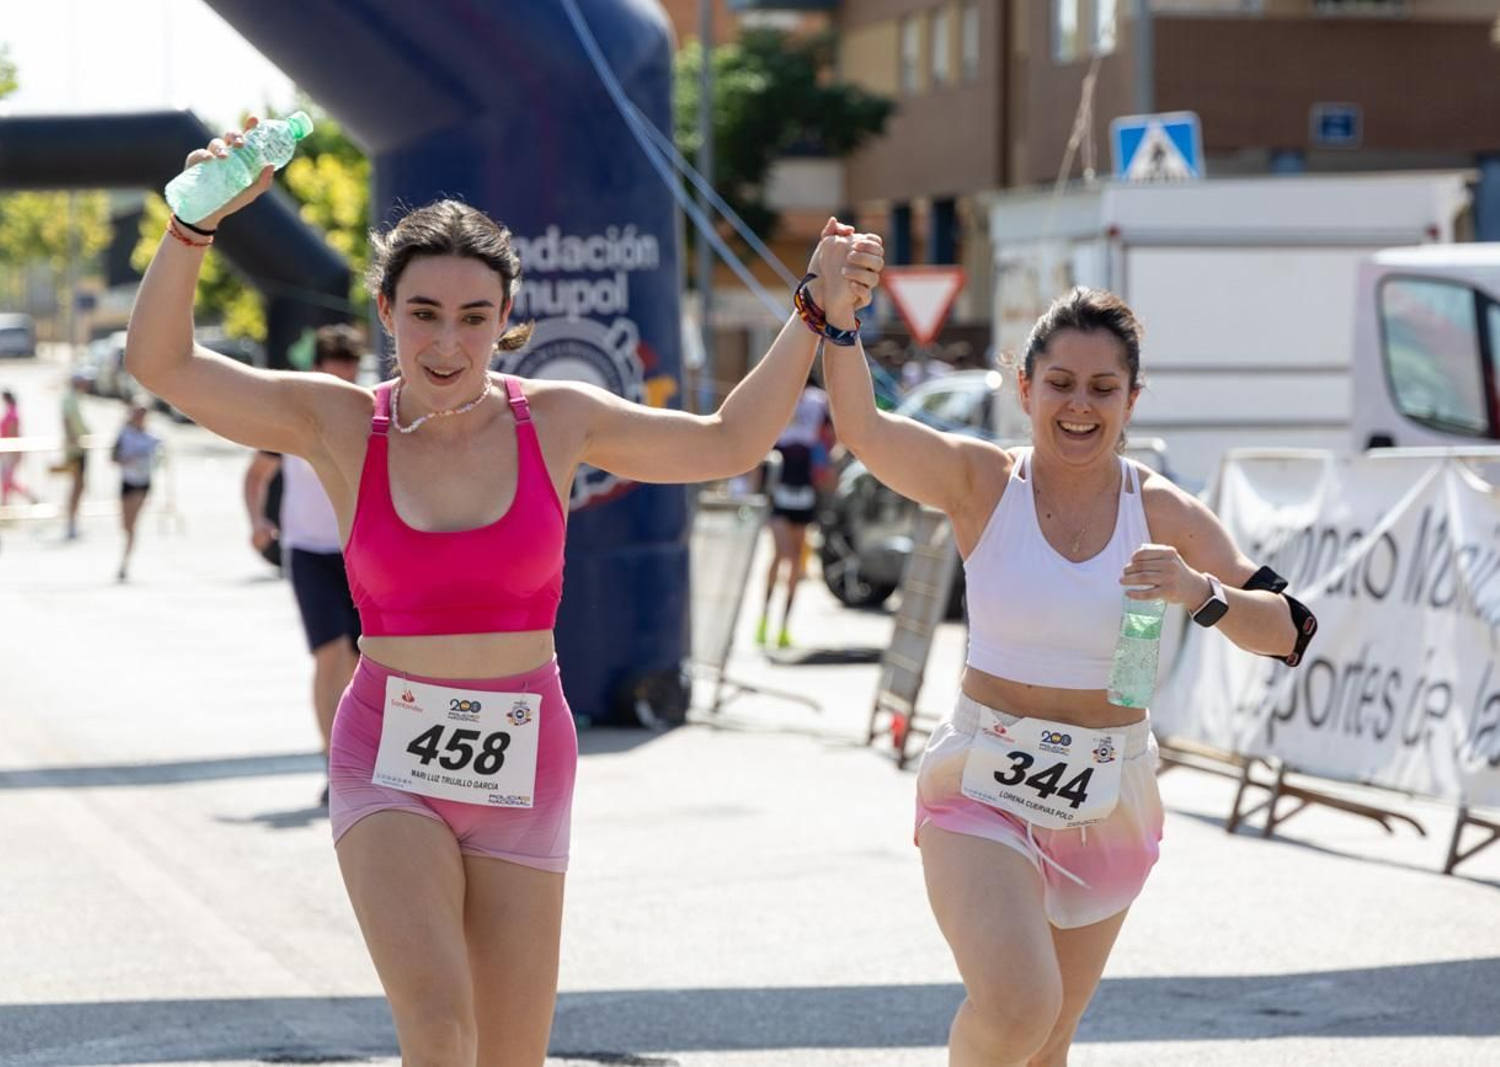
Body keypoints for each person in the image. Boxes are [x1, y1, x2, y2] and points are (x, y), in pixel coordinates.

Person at [125, 117, 882, 1066]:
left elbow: (728, 440)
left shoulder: (557, 420)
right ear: (386, 311)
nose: (448, 341)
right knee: (441, 1032)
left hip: (526, 759)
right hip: (389, 754)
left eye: (474, 316)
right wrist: (193, 230)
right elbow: (162, 366)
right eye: (425, 313)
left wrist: (811, 307)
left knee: (509, 1054)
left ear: (507, 317)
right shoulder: (335, 422)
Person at [822, 287, 1316, 1067]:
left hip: (1108, 793)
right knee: (1019, 1009)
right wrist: (837, 316)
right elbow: (863, 429)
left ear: (1132, 398)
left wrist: (1199, 591)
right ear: (1024, 385)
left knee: (1047, 1042)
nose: (1079, 407)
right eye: (1059, 383)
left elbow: (1292, 629)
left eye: (1102, 388)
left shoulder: (1163, 512)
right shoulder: (981, 482)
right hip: (980, 784)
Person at [243, 323, 369, 806]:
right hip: (309, 550)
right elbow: (256, 475)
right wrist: (257, 521)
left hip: (361, 553)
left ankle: (365, 762)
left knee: (365, 661)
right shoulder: (294, 423)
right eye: (332, 377)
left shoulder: (368, 414)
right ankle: (332, 764)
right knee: (330, 655)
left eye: (349, 376)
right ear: (314, 370)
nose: (341, 388)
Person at [756, 376, 833, 649]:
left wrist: (826, 463)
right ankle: (763, 619)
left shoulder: (817, 402)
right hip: (779, 493)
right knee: (781, 555)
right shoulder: (776, 397)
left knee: (796, 564)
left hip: (805, 492)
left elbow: (831, 434)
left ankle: (784, 627)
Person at [111, 400, 162, 581]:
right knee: (125, 525)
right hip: (127, 480)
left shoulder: (153, 437)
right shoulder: (124, 434)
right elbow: (113, 458)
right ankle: (125, 556)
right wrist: (128, 460)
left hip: (142, 483)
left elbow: (160, 460)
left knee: (132, 525)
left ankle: (124, 563)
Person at [58, 371, 92, 539]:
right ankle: (70, 522)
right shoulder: (69, 398)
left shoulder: (75, 398)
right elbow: (67, 420)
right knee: (76, 486)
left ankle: (73, 521)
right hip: (75, 449)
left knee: (79, 486)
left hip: (79, 448)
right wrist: (73, 439)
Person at [0, 389, 36, 507]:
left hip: (10, 450)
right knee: (6, 479)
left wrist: (14, 451)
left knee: (6, 479)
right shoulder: (11, 412)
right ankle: (6, 503)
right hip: (7, 449)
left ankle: (6, 504)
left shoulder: (12, 414)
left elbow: (13, 433)